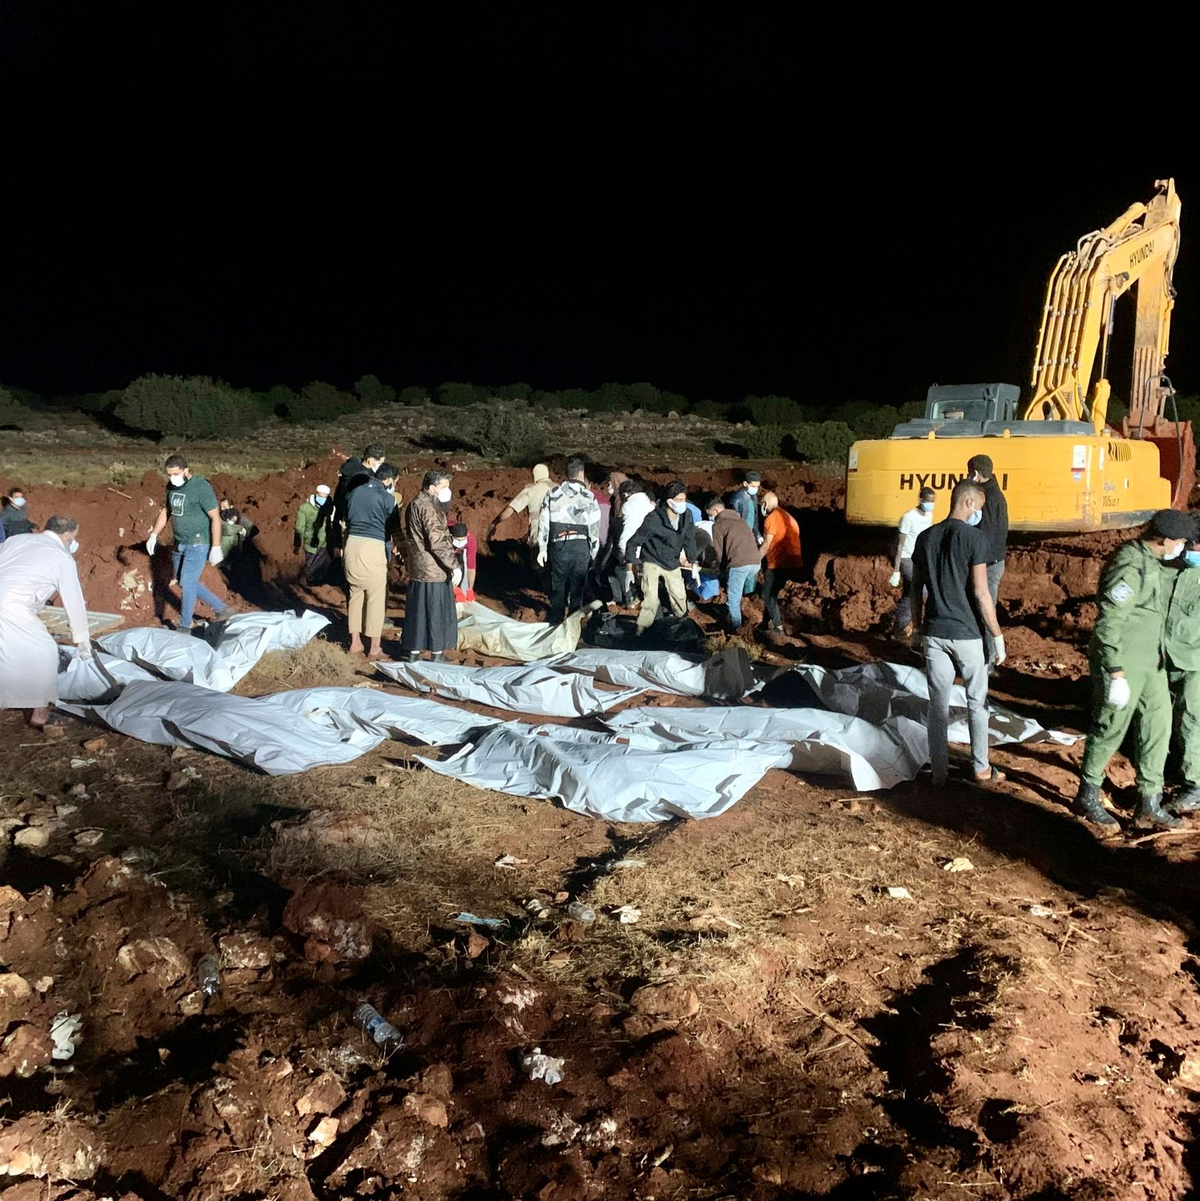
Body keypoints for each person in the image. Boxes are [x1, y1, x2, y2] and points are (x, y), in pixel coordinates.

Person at [1075, 509, 1196, 830]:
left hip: (1150, 663)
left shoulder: (1154, 563)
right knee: (1111, 727)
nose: (1183, 547)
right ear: (1166, 540)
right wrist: (1114, 671)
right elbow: (1108, 624)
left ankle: (1149, 802)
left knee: (1159, 725)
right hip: (1123, 663)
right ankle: (1087, 793)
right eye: (1182, 542)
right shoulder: (1129, 566)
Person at [910, 479, 1007, 788]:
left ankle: (939, 773)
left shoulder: (925, 538)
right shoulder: (975, 539)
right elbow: (981, 593)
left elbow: (915, 590)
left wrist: (916, 627)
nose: (978, 512)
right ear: (967, 503)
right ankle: (980, 768)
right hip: (967, 634)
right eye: (978, 507)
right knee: (976, 703)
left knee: (937, 704)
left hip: (934, 632)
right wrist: (997, 635)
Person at [0, 515, 92, 728]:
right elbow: (73, 600)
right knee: (45, 652)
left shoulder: (17, 540)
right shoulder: (61, 557)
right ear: (67, 535)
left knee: (6, 652)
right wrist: (82, 639)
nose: (73, 542)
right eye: (74, 538)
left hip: (9, 602)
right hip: (11, 606)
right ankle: (40, 714)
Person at [145, 455, 229, 631]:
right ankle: (223, 609)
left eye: (175, 474)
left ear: (186, 470)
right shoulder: (171, 488)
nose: (172, 478)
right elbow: (166, 510)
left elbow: (215, 517)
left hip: (198, 542)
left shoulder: (200, 487)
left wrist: (215, 546)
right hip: (179, 543)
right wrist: (154, 534)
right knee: (186, 582)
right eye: (169, 474)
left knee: (188, 582)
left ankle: (185, 625)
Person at [344, 463, 401, 660]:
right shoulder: (388, 498)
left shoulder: (354, 493)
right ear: (390, 480)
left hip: (352, 545)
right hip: (373, 547)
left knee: (355, 594)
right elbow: (395, 530)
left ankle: (355, 643)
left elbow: (346, 521)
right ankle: (374, 648)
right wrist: (407, 554)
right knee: (376, 598)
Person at [626, 481, 697, 632]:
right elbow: (635, 540)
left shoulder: (686, 517)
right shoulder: (654, 519)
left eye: (684, 499)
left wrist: (693, 561)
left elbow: (689, 538)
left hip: (672, 561)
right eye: (678, 500)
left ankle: (682, 625)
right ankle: (641, 629)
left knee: (679, 596)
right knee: (651, 597)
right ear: (669, 501)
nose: (682, 504)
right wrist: (632, 563)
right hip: (652, 559)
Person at [402, 469, 458, 661]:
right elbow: (437, 540)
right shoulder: (429, 507)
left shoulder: (415, 504)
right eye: (444, 487)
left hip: (419, 566)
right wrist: (454, 565)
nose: (447, 490)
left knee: (418, 612)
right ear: (432, 487)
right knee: (436, 611)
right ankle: (436, 653)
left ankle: (414, 652)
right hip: (434, 569)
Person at [537, 458, 601, 625]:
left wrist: (542, 548)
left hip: (559, 545)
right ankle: (573, 626)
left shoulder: (553, 494)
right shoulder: (589, 496)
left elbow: (543, 523)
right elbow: (594, 529)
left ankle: (556, 623)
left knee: (558, 586)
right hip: (581, 546)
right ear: (581, 474)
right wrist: (594, 553)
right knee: (577, 589)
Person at [1165, 534, 1200, 817]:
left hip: (1196, 660)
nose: (1190, 551)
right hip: (1167, 655)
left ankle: (1195, 785)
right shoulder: (1174, 570)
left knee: (1191, 717)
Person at [966, 455, 1009, 660]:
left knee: (985, 610)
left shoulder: (988, 498)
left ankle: (988, 658)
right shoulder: (996, 494)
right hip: (994, 560)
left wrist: (977, 561)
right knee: (985, 608)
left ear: (975, 473)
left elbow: (986, 533)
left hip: (988, 563)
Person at [889, 487, 936, 636]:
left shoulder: (929, 515)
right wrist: (896, 570)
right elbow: (900, 544)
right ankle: (903, 624)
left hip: (919, 558)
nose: (930, 504)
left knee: (910, 593)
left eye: (933, 501)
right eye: (928, 501)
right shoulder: (908, 518)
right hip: (906, 558)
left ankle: (899, 625)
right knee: (921, 590)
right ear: (921, 500)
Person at [707, 498, 760, 630]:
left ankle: (736, 630)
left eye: (710, 514)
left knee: (732, 602)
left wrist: (714, 567)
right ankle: (734, 618)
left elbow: (718, 553)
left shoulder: (718, 525)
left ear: (715, 511)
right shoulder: (740, 520)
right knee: (736, 590)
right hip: (755, 563)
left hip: (740, 565)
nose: (710, 518)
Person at [759, 492, 803, 633]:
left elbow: (767, 543)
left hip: (777, 563)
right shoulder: (788, 516)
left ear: (766, 504)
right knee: (772, 593)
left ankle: (777, 626)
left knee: (768, 595)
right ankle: (766, 622)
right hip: (792, 562)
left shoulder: (772, 518)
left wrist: (754, 560)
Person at [486, 464, 554, 551]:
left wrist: (494, 523)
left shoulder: (531, 490)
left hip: (539, 536)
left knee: (537, 561)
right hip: (560, 536)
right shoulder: (560, 488)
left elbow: (509, 510)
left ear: (534, 475)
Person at [332, 444, 386, 545]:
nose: (380, 467)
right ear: (370, 461)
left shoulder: (351, 469)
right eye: (379, 463)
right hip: (355, 521)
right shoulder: (362, 478)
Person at [294, 483, 334, 584]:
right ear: (316, 494)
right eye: (321, 496)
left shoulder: (329, 508)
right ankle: (307, 582)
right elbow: (299, 527)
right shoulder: (305, 508)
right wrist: (297, 543)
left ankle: (316, 582)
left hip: (324, 542)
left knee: (323, 564)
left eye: (325, 497)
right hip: (310, 542)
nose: (323, 499)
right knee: (310, 564)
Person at [729, 471, 762, 541]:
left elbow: (754, 517)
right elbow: (734, 520)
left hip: (751, 533)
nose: (756, 489)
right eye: (753, 486)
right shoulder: (737, 499)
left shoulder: (753, 497)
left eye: (757, 486)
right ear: (745, 484)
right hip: (741, 534)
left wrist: (757, 534)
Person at [450, 522, 478, 602]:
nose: (460, 542)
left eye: (462, 540)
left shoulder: (471, 540)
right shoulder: (445, 537)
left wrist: (470, 589)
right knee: (456, 572)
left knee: (460, 569)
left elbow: (471, 567)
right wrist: (454, 588)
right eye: (457, 540)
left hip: (458, 552)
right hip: (446, 550)